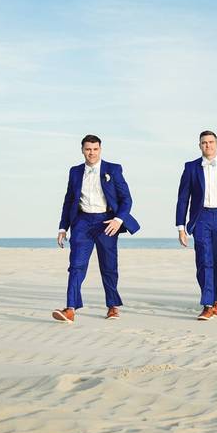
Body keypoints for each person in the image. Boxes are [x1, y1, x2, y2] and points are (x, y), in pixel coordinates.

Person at [53, 135, 140, 323]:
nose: (91, 153)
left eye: (95, 149)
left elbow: (127, 199)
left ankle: (112, 307)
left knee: (109, 266)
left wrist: (118, 220)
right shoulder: (75, 172)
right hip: (82, 222)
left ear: (100, 149)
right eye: (88, 149)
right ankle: (70, 309)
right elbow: (69, 201)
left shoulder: (113, 169)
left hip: (106, 222)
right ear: (82, 150)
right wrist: (63, 227)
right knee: (76, 265)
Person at [176, 130, 217, 321]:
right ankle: (207, 303)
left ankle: (215, 298)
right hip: (201, 217)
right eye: (204, 143)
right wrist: (181, 227)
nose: (208, 146)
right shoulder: (191, 167)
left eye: (211, 142)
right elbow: (183, 198)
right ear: (199, 146)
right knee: (204, 261)